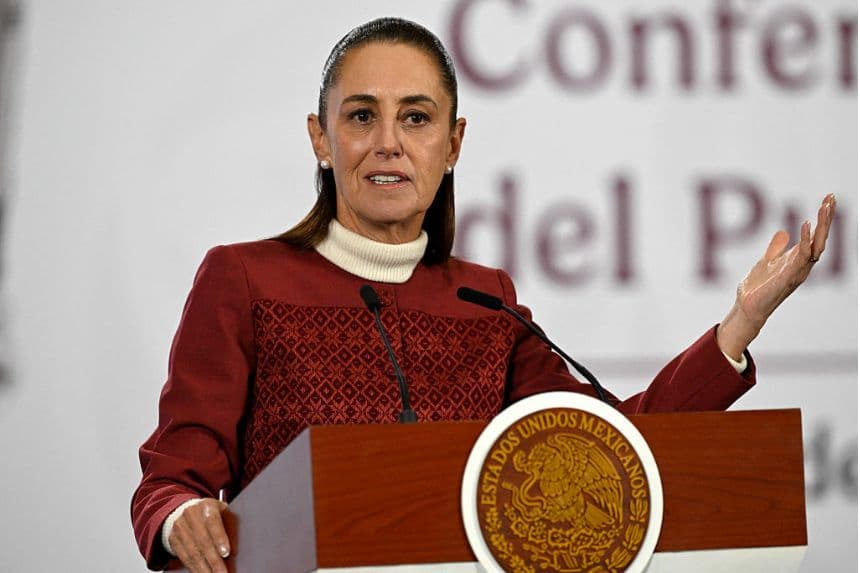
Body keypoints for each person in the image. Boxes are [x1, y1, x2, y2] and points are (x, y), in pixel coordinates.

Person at [131, 17, 836, 573]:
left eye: (415, 117)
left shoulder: (483, 300)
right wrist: (180, 513)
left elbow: (612, 446)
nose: (388, 143)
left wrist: (737, 327)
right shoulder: (244, 279)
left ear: (454, 141)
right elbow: (172, 476)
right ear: (320, 138)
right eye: (359, 116)